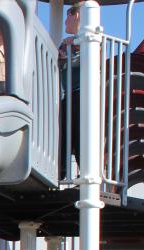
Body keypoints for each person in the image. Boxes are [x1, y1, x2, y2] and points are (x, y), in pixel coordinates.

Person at [58, 3, 82, 168]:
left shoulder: (91, 41)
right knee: (66, 133)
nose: (65, 21)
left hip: (81, 93)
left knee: (80, 134)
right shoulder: (67, 44)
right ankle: (61, 171)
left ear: (77, 15)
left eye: (68, 15)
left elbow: (85, 61)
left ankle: (82, 171)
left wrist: (65, 56)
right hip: (68, 93)